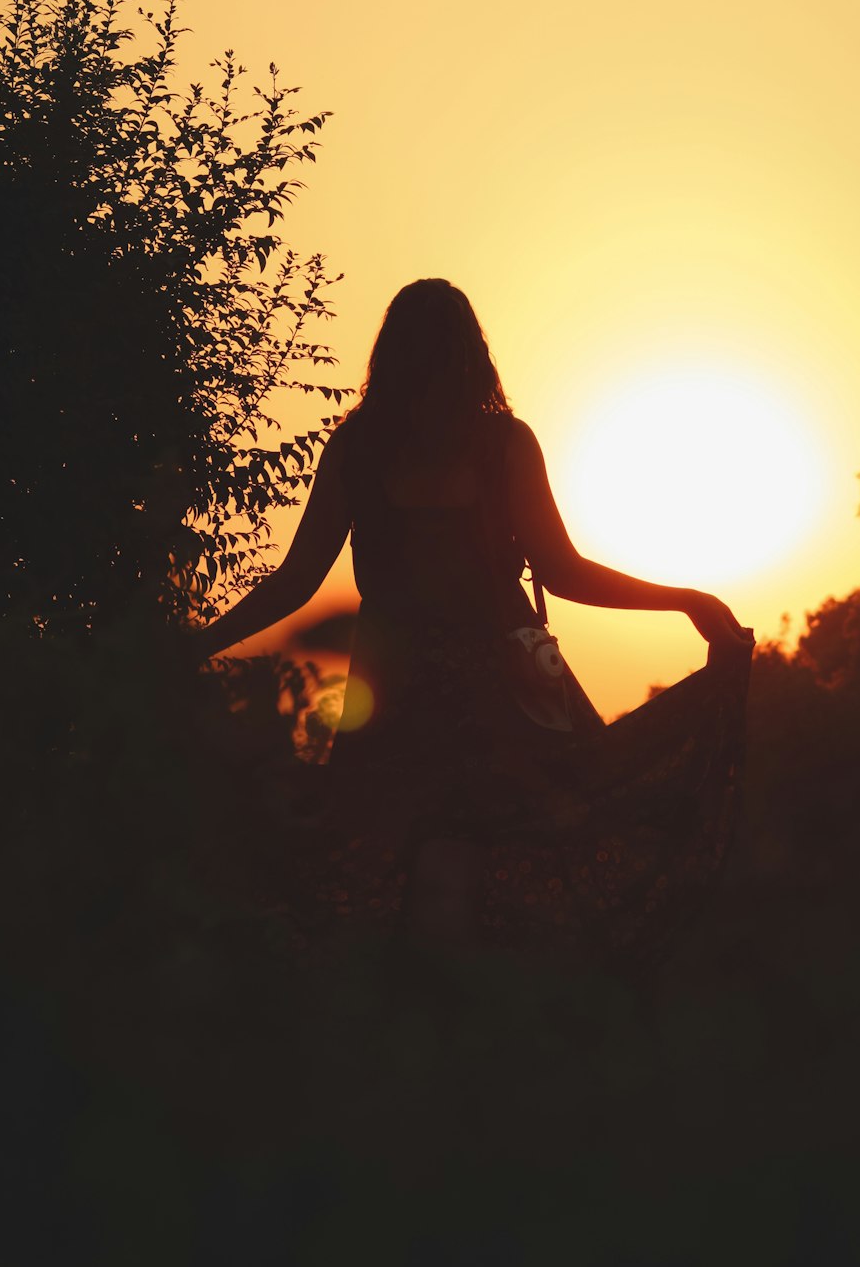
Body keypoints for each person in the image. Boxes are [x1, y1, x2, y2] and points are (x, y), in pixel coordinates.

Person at [198, 278, 754, 958]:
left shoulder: (379, 448)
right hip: (465, 699)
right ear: (473, 354)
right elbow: (563, 571)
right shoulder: (471, 445)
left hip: (441, 698)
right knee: (509, 860)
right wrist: (687, 598)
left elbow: (296, 582)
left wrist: (200, 644)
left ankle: (439, 1030)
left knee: (408, 877)